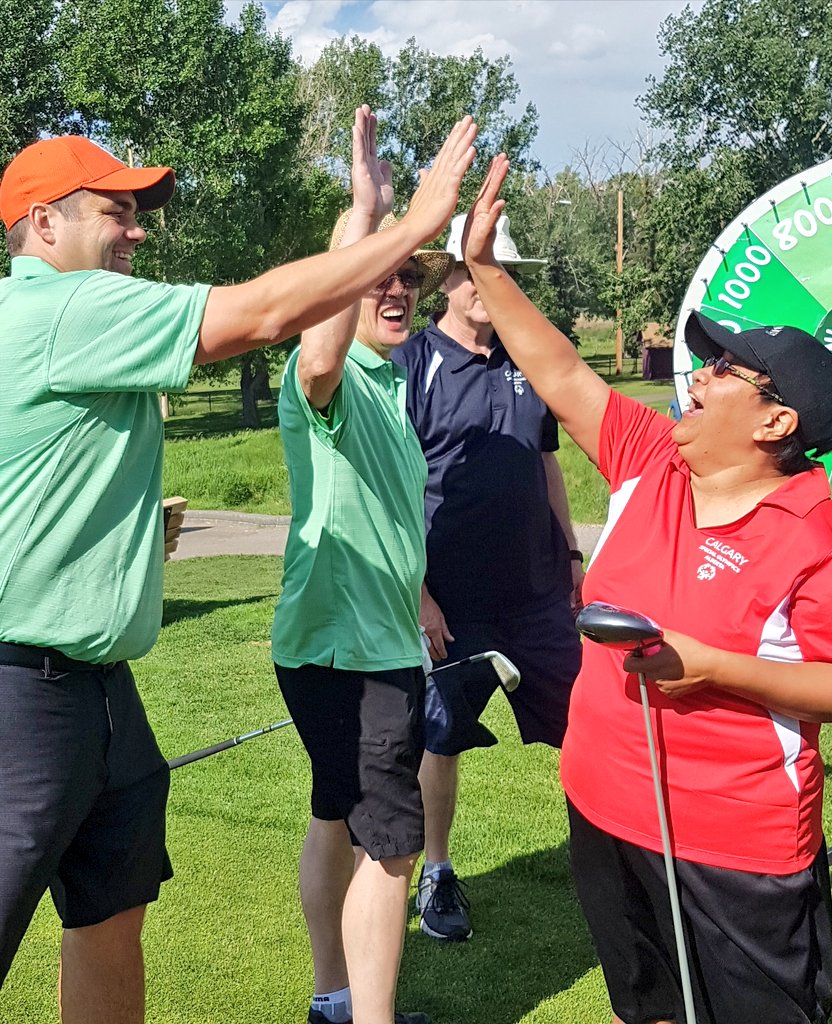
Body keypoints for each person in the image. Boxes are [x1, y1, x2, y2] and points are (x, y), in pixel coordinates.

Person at [0, 109, 477, 1021]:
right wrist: (408, 226)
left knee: (109, 917)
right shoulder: (61, 304)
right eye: (116, 209)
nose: (137, 230)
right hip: (23, 692)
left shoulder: (81, 321)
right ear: (44, 223)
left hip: (98, 688)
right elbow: (267, 314)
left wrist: (360, 212)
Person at [459, 155, 832, 1024]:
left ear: (775, 422)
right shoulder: (651, 463)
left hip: (736, 846)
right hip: (603, 808)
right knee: (640, 1008)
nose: (699, 373)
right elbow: (561, 374)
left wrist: (715, 668)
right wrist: (485, 268)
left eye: (725, 371)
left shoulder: (821, 540)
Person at [271, 110, 457, 1024]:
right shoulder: (330, 377)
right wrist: (367, 210)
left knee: (336, 815)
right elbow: (315, 341)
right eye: (377, 280)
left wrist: (417, 587)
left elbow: (384, 514)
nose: (397, 292)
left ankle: (334, 1000)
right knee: (391, 844)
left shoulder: (387, 386)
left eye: (408, 280)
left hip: (357, 634)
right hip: (350, 648)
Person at [392, 213, 583, 942]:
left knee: (586, 728)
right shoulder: (413, 364)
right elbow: (393, 489)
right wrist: (419, 594)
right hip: (452, 604)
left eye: (498, 273)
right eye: (475, 272)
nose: (486, 287)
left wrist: (569, 556)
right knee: (439, 740)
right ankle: (435, 874)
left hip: (538, 595)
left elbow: (545, 464)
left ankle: (610, 859)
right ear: (448, 278)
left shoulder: (525, 358)